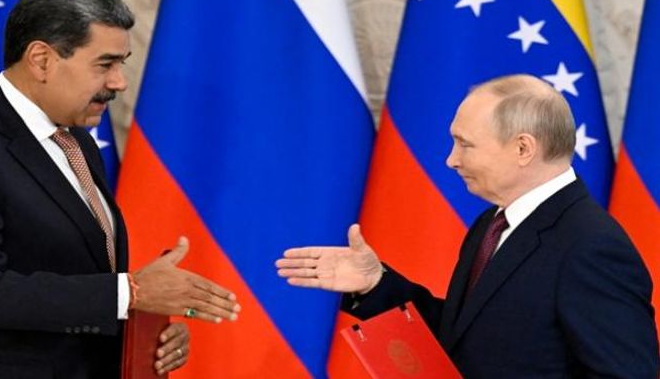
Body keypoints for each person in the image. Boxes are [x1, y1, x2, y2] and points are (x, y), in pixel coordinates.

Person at [0, 0, 240, 379]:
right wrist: (130, 292)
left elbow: (77, 280)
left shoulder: (76, 141)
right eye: (105, 64)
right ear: (42, 60)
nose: (119, 82)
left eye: (122, 63)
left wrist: (140, 331)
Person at [276, 75, 659, 378]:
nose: (451, 160)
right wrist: (375, 284)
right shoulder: (491, 224)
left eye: (465, 145)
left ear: (523, 149)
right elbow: (464, 335)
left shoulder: (591, 246)